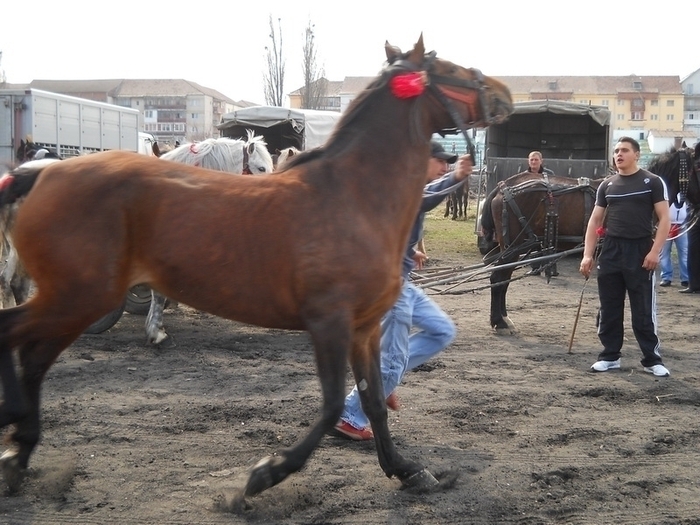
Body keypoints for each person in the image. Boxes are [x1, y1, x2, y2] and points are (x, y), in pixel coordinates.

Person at [334, 141, 472, 440]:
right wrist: (456, 178)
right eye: (440, 161)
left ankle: (385, 383)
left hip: (401, 280)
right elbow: (424, 199)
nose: (444, 167)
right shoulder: (407, 188)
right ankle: (349, 417)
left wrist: (409, 252)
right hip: (388, 286)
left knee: (442, 331)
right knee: (392, 361)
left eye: (448, 164)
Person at [579, 136, 671, 377]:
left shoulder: (652, 182)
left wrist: (654, 251)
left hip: (640, 250)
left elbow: (664, 219)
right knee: (609, 307)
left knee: (642, 310)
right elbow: (595, 221)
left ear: (637, 154)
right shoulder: (607, 185)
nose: (619, 154)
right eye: (616, 151)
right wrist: (588, 255)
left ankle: (652, 359)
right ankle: (610, 356)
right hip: (611, 250)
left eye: (624, 150)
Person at [527, 151, 558, 276]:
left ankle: (551, 268)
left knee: (550, 240)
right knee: (533, 241)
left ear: (541, 161)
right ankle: (535, 268)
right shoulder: (524, 176)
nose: (534, 162)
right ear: (528, 161)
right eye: (531, 160)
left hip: (547, 212)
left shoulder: (549, 175)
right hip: (531, 213)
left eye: (536, 160)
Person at [659, 194, 688, 288]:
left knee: (684, 253)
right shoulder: (665, 195)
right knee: (664, 253)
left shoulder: (685, 193)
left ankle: (686, 278)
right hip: (667, 226)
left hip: (682, 226)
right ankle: (666, 277)